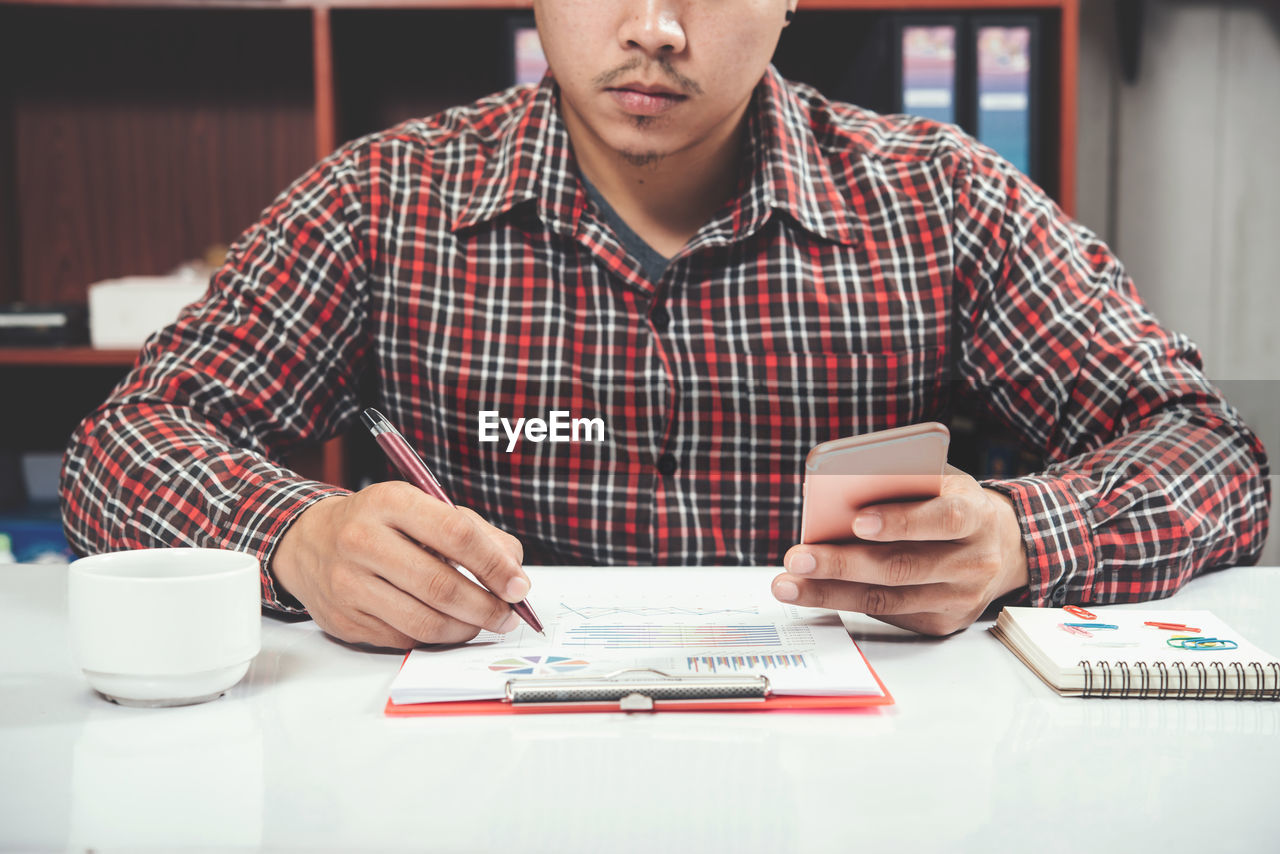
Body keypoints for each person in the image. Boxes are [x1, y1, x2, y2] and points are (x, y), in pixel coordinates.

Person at [61, 0, 1269, 649]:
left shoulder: (940, 199)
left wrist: (1018, 536)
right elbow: (126, 444)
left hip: (871, 797)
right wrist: (297, 536)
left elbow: (1205, 449)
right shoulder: (387, 201)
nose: (656, 27)